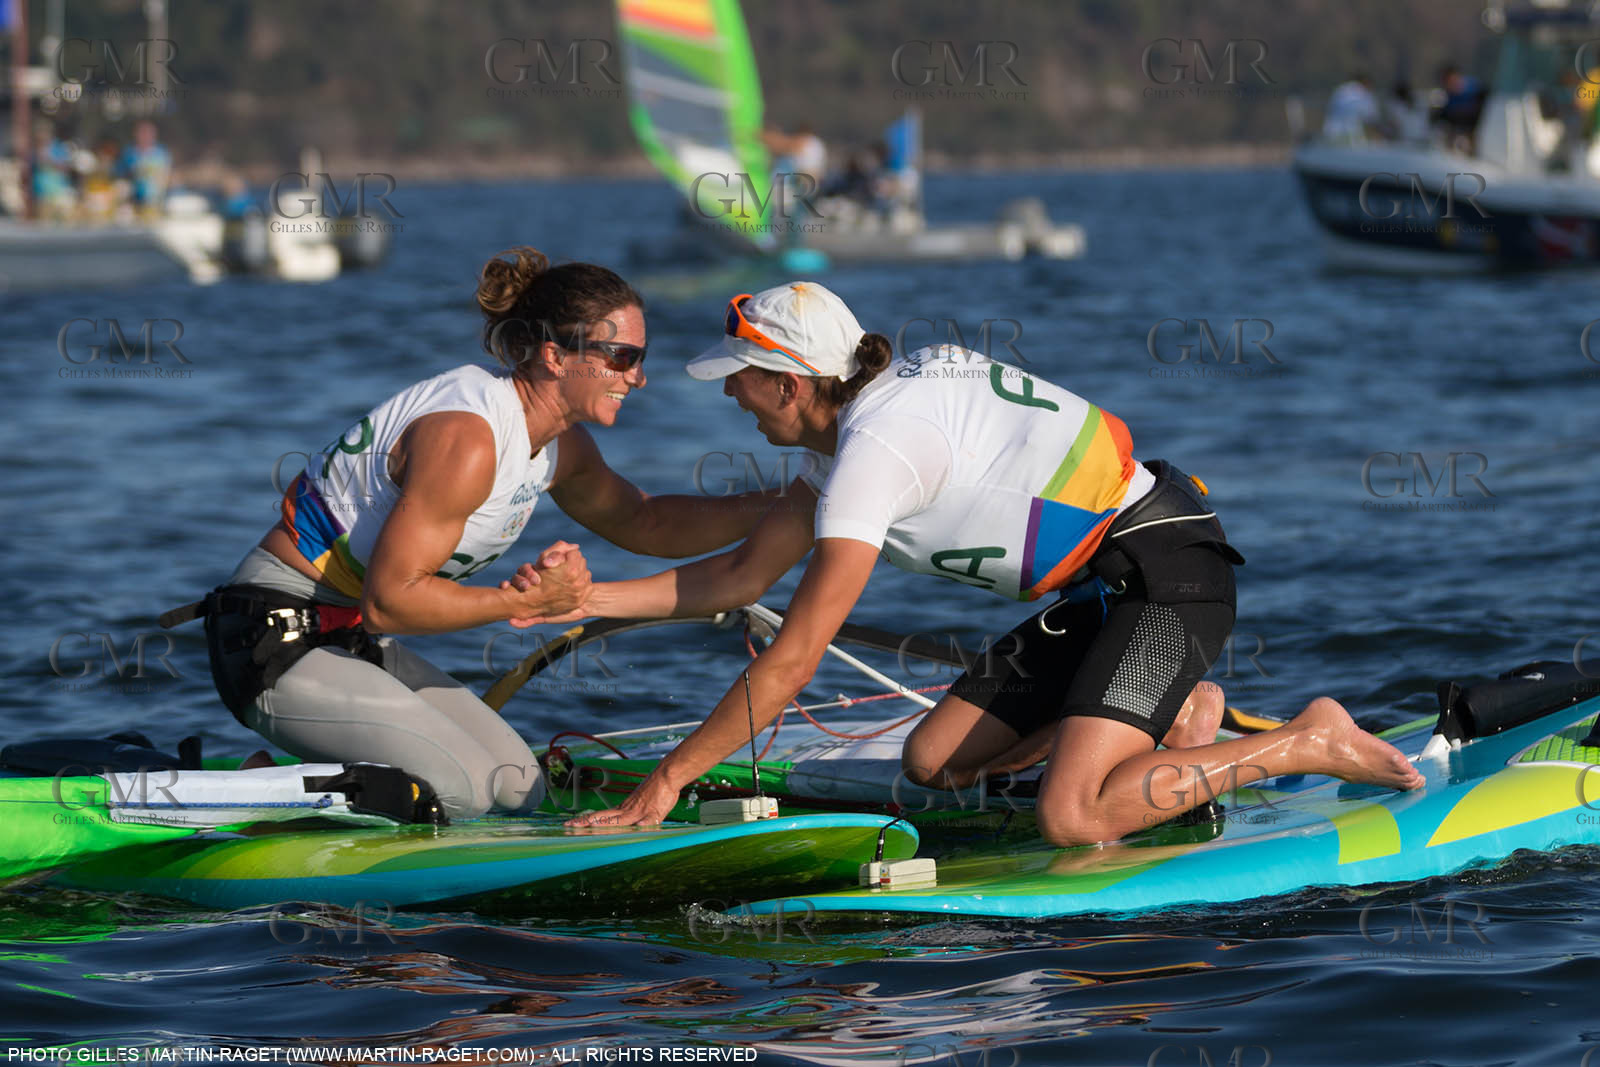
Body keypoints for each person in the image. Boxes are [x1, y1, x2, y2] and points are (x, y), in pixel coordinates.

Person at [560, 282, 1425, 845]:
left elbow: (793, 660)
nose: (726, 393)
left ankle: (1306, 738)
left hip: (1173, 576)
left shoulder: (873, 456)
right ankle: (1171, 724)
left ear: (791, 383)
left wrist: (670, 780)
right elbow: (740, 579)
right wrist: (582, 597)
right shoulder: (852, 431)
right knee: (933, 762)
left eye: (739, 376)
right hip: (1101, 595)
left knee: (1071, 815)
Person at [191, 248, 784, 820]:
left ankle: (348, 776)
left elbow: (647, 522)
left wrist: (786, 504)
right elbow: (391, 603)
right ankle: (250, 784)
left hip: (349, 642)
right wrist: (522, 602)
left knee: (516, 786)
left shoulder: (560, 445)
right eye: (622, 357)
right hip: (273, 642)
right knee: (464, 792)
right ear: (555, 356)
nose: (638, 377)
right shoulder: (468, 436)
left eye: (639, 357)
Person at [117, 120, 172, 217]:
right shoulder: (129, 153)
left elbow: (166, 175)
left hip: (156, 201)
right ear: (136, 134)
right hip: (133, 201)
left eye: (149, 133)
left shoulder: (161, 153)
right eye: (142, 133)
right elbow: (120, 175)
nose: (145, 136)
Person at [1322, 74, 1379, 142]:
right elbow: (1371, 116)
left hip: (1331, 130)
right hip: (1348, 133)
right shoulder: (1362, 92)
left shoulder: (1342, 89)